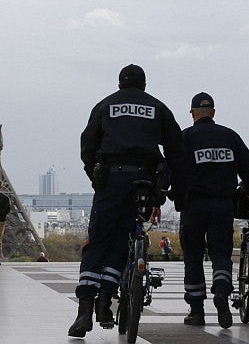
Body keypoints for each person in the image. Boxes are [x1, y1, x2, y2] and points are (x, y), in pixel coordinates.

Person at [69, 64, 185, 337]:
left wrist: (95, 176)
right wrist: (163, 189)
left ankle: (84, 309)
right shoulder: (158, 108)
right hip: (144, 182)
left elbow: (88, 145)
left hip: (111, 179)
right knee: (123, 241)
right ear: (144, 85)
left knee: (98, 241)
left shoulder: (105, 106)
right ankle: (106, 300)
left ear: (119, 84)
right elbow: (176, 152)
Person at [180, 92, 249, 329]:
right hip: (223, 206)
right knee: (220, 255)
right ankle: (222, 293)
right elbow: (248, 169)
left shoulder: (185, 138)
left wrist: (164, 194)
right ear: (213, 113)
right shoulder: (230, 137)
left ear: (193, 113)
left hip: (193, 206)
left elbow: (171, 169)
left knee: (193, 257)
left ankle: (196, 311)